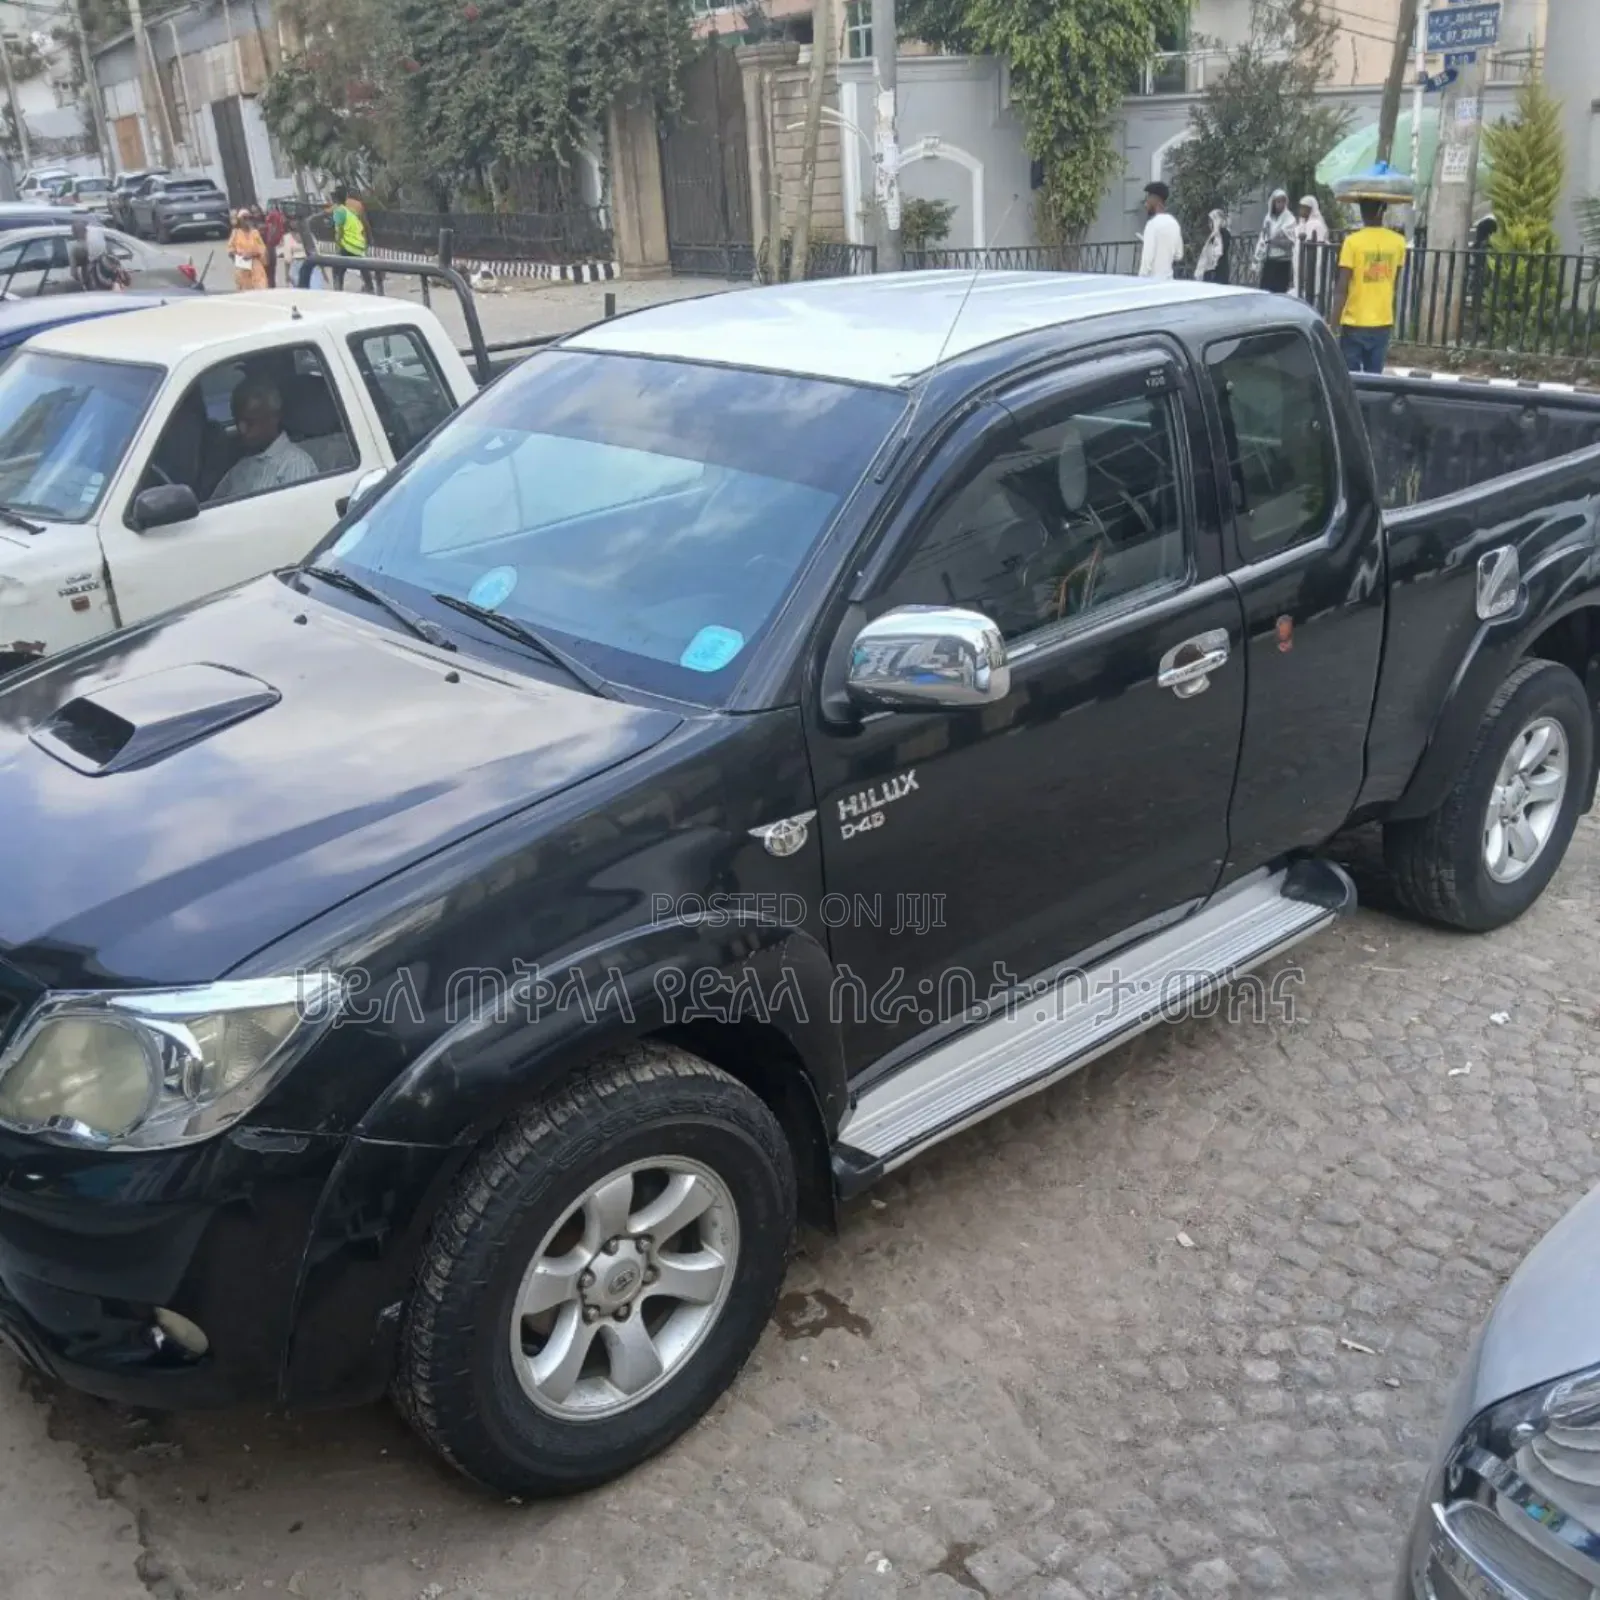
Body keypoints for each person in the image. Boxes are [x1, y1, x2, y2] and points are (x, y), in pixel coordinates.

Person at [1329, 197, 1407, 374]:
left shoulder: (1352, 242)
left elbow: (1342, 288)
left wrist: (1332, 326)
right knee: (1375, 379)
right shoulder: (1398, 242)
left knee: (1351, 379)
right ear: (1383, 210)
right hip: (1382, 321)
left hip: (1354, 322)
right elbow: (1394, 278)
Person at [212, 376, 318, 500]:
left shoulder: (294, 464)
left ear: (274, 418)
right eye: (238, 421)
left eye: (250, 422)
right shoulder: (239, 469)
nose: (242, 429)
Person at [329, 185, 375, 293]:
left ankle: (338, 288)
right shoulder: (357, 205)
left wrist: (338, 242)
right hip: (357, 241)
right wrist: (369, 238)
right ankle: (370, 287)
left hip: (345, 242)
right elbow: (364, 223)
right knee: (362, 266)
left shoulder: (337, 207)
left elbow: (338, 227)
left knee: (338, 267)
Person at [1137, 182, 1183, 280]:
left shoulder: (1152, 225)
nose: (1146, 203)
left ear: (1155, 200)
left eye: (1148, 198)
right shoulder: (1174, 223)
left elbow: (1147, 261)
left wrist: (1139, 281)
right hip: (1168, 282)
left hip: (1152, 284)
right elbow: (1179, 255)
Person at [1255, 189, 1296, 293]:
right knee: (1266, 290)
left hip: (1282, 260)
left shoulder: (1289, 218)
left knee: (1279, 291)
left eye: (1283, 201)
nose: (1280, 204)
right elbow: (1264, 236)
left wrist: (1275, 240)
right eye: (1278, 202)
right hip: (1269, 259)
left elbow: (1290, 240)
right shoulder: (1268, 218)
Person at [1294, 195, 1329, 300]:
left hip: (1313, 262)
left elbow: (1318, 247)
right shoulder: (1301, 224)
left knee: (1314, 288)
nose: (1301, 210)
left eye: (1304, 208)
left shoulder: (1316, 224)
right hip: (1301, 261)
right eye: (1301, 207)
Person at [228, 211, 268, 292]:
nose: (247, 220)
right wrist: (239, 256)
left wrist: (252, 254)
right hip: (242, 266)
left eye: (249, 217)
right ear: (240, 220)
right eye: (244, 218)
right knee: (245, 290)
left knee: (261, 288)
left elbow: (262, 249)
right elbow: (230, 250)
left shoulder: (255, 233)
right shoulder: (235, 233)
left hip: (256, 266)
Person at [1195, 209, 1231, 283]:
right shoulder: (1213, 234)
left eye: (1211, 221)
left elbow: (1220, 250)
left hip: (1219, 270)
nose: (1210, 224)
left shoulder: (1223, 233)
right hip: (1210, 270)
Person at [260, 202, 288, 288]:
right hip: (270, 247)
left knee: (268, 272)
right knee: (270, 272)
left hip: (268, 247)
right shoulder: (277, 217)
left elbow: (275, 230)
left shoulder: (271, 219)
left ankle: (270, 287)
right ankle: (271, 287)